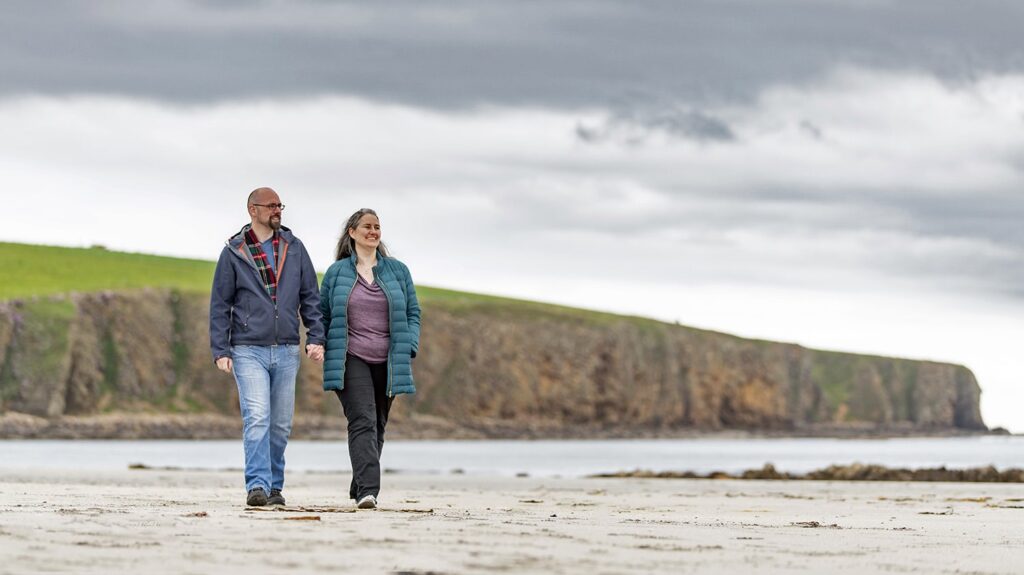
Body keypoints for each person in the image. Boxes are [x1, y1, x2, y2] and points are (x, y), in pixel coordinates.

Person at [209, 187, 326, 507]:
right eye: (271, 206)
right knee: (257, 416)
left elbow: (310, 297)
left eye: (280, 206)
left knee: (280, 424)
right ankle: (257, 486)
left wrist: (316, 336)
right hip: (247, 348)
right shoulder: (233, 251)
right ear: (253, 210)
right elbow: (220, 303)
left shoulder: (295, 248)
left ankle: (275, 488)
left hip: (288, 348)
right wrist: (220, 350)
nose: (278, 211)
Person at [319, 208, 420, 509]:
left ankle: (359, 484)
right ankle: (369, 491)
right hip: (350, 356)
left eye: (377, 227)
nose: (373, 231)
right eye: (367, 226)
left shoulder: (398, 271)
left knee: (377, 424)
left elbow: (413, 313)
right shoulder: (337, 273)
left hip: (389, 359)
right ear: (352, 232)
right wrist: (318, 343)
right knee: (362, 420)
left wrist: (410, 344)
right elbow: (322, 315)